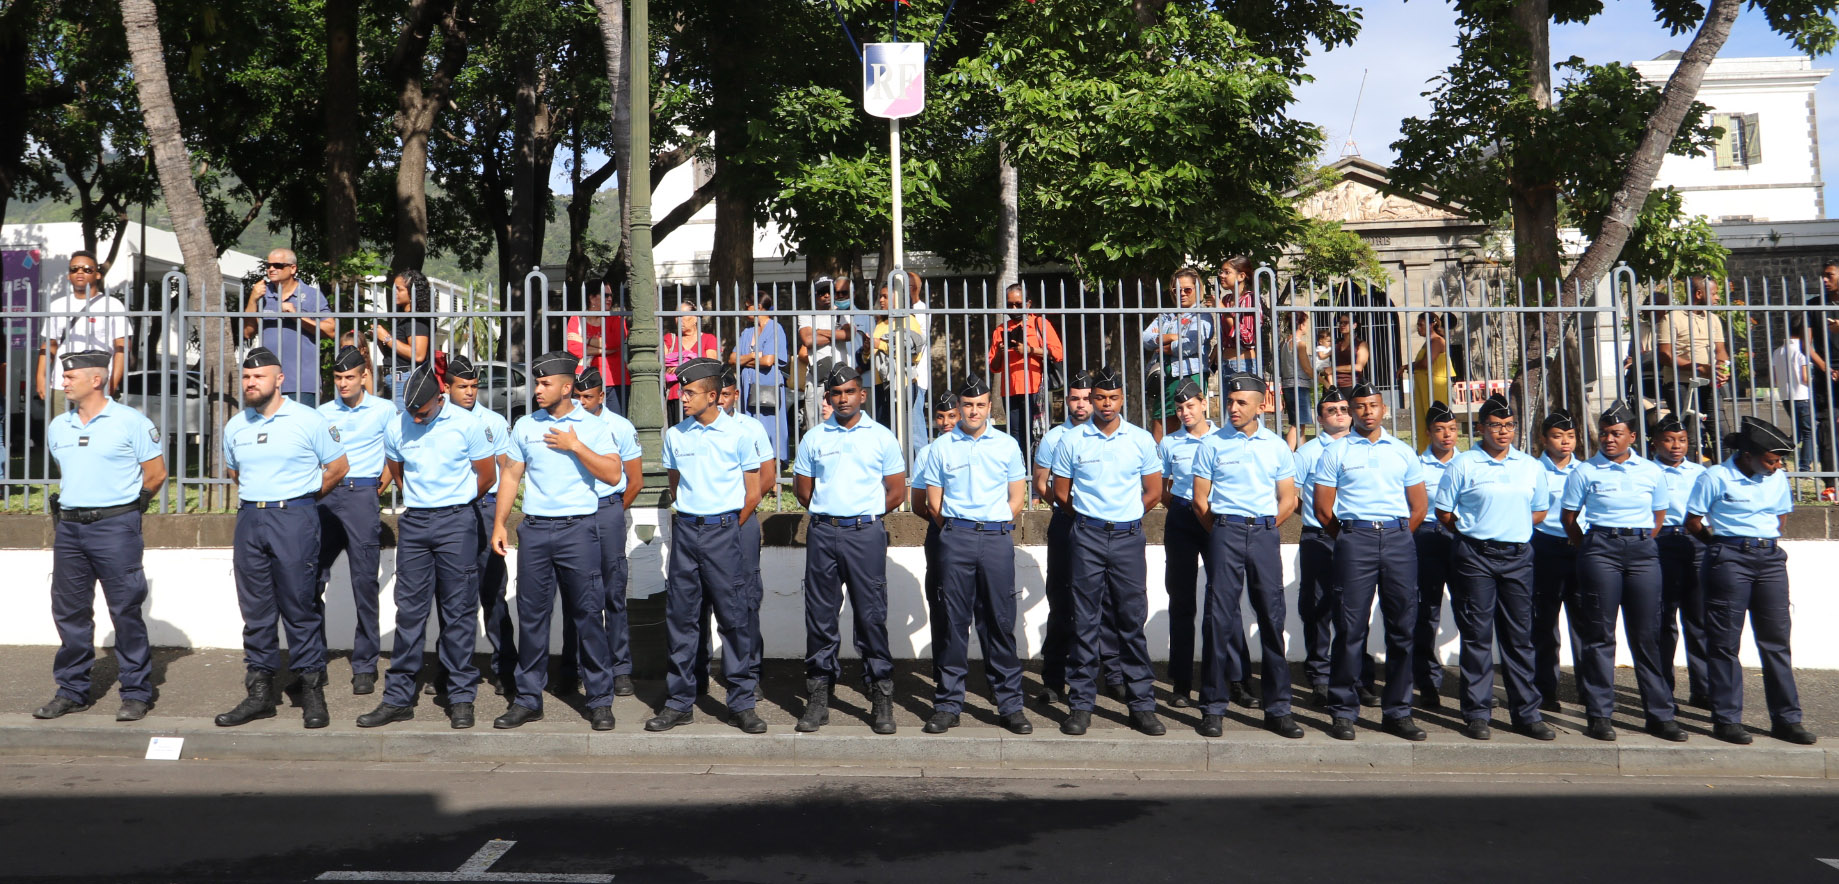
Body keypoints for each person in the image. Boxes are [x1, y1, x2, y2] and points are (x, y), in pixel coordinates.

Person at [489, 351, 629, 730]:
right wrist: (500, 524)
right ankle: (528, 698)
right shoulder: (524, 426)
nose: (537, 390)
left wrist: (576, 447)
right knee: (532, 618)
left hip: (578, 530)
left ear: (567, 387)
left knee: (587, 616)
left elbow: (615, 475)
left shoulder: (594, 426)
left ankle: (600, 700)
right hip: (534, 530)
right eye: (537, 383)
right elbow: (511, 477)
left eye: (545, 383)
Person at [215, 347, 350, 729]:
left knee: (299, 605)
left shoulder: (308, 420)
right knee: (255, 610)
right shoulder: (236, 425)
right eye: (246, 377)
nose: (250, 382)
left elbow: (338, 467)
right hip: (250, 519)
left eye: (258, 376)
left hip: (294, 517)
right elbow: (235, 473)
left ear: (279, 380)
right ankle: (259, 692)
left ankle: (311, 689)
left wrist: (302, 498)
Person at [359, 366, 496, 730]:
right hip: (416, 522)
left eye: (422, 411)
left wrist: (455, 502)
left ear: (440, 398)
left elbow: (487, 476)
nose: (416, 418)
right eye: (411, 412)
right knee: (409, 613)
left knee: (459, 612)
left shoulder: (466, 425)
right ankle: (398, 698)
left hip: (457, 521)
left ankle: (461, 696)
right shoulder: (398, 424)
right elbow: (396, 467)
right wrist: (420, 499)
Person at [33, 350, 165, 722]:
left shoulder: (130, 422)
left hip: (115, 527)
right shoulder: (59, 425)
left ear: (96, 379)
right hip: (71, 528)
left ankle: (136, 691)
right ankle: (72, 690)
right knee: (70, 612)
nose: (64, 381)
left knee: (125, 610)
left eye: (71, 376)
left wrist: (127, 510)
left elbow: (155, 474)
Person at [649, 358, 767, 733]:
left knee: (733, 619)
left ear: (713, 396)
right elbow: (675, 483)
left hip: (725, 530)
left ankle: (741, 702)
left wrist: (725, 525)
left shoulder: (740, 434)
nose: (682, 398)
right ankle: (680, 701)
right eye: (681, 391)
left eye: (689, 392)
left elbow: (753, 492)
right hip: (686, 530)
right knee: (681, 619)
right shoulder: (676, 435)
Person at [1432, 394, 1555, 741]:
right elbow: (1444, 513)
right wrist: (1475, 534)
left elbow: (1539, 511)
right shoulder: (1464, 464)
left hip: (1517, 556)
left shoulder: (1530, 466)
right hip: (1475, 556)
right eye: (1496, 426)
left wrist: (1510, 528)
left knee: (1519, 637)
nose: (1503, 432)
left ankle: (1527, 713)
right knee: (1477, 636)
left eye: (1509, 425)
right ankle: (1477, 712)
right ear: (1481, 428)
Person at [1687, 416, 1816, 745]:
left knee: (1776, 642)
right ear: (1747, 454)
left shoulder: (1776, 478)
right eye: (1770, 460)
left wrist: (1762, 543)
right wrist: (1721, 548)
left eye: (1778, 460)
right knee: (1725, 643)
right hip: (1729, 557)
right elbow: (1693, 520)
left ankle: (1787, 719)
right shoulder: (1715, 476)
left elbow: (1780, 518)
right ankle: (1727, 719)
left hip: (1770, 560)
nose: (1776, 466)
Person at [1050, 366, 1165, 736]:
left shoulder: (1141, 439)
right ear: (1091, 399)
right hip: (1087, 536)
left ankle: (1141, 705)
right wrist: (1092, 518)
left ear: (1122, 400)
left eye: (1113, 398)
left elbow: (1153, 492)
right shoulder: (1072, 440)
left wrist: (1125, 517)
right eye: (1099, 397)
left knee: (1131, 621)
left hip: (1129, 537)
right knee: (1084, 622)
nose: (1106, 404)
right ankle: (1081, 705)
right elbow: (1062, 494)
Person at [792, 365, 907, 734]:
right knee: (820, 619)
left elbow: (896, 492)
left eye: (850, 392)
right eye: (836, 393)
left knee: (871, 616)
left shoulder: (882, 437)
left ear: (863, 395)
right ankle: (819, 696)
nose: (843, 399)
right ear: (828, 398)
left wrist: (863, 515)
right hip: (824, 533)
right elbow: (803, 491)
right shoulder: (814, 438)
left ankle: (881, 695)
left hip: (865, 533)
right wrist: (833, 514)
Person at [1312, 382, 1429, 742]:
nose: (1367, 412)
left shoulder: (1402, 451)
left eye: (1373, 406)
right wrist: (1350, 537)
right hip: (1354, 539)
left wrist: (1396, 535)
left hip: (1397, 539)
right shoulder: (1336, 452)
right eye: (1359, 407)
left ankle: (1398, 711)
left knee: (1402, 628)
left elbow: (1419, 506)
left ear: (1384, 409)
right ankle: (1344, 710)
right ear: (1350, 410)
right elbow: (1322, 509)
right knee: (1350, 628)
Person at [1189, 373, 1303, 739]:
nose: (1233, 408)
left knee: (1272, 618)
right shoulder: (1212, 444)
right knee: (1219, 621)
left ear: (1260, 405)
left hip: (1265, 533)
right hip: (1225, 529)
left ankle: (1279, 708)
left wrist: (1266, 526)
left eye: (1241, 402)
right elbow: (1199, 500)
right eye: (1230, 401)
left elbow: (1288, 498)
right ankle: (1213, 707)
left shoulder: (1275, 446)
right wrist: (1223, 530)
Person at [917, 376, 1033, 735]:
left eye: (980, 405)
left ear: (989, 407)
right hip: (956, 537)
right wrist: (955, 530)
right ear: (961, 407)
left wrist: (996, 524)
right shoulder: (942, 447)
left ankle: (1010, 704)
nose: (973, 411)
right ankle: (949, 703)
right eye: (968, 405)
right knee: (953, 622)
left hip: (996, 538)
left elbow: (1017, 497)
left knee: (999, 621)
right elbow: (933, 501)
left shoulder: (1008, 445)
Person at [1561, 401, 1677, 742]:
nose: (1608, 439)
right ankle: (1599, 714)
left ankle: (1659, 714)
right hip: (1600, 550)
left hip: (1642, 552)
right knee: (1599, 635)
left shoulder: (1651, 471)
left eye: (1616, 434)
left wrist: (1636, 540)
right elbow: (1569, 519)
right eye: (1604, 433)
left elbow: (1658, 517)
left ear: (1633, 436)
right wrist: (1593, 546)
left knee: (1647, 636)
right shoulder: (1585, 471)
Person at [1156, 379, 1257, 710]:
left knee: (1225, 601)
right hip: (1184, 518)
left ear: (1204, 403)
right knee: (1182, 601)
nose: (1184, 412)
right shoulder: (1170, 443)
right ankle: (1182, 683)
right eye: (1179, 408)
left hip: (1219, 518)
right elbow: (1165, 487)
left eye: (1190, 406)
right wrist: (1185, 510)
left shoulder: (1225, 438)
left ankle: (1238, 680)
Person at [555, 368, 645, 700]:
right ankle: (572, 667)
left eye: (587, 398)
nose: (581, 403)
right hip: (574, 514)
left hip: (606, 509)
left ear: (602, 396)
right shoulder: (563, 425)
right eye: (576, 397)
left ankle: (620, 669)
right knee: (574, 594)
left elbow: (635, 481)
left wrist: (612, 512)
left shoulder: (619, 427)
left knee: (612, 593)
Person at [1033, 370, 1122, 706]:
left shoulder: (1112, 435)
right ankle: (1054, 680)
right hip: (1066, 524)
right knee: (1063, 600)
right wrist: (1072, 509)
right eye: (1075, 398)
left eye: (1088, 398)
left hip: (1104, 528)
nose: (1082, 404)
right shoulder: (1055, 437)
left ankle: (1113, 676)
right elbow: (1041, 484)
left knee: (1109, 602)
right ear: (1066, 401)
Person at [314, 346, 396, 696]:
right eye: (338, 378)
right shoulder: (321, 412)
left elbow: (396, 452)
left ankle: (364, 664)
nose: (344, 383)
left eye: (350, 377)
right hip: (325, 497)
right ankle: (312, 661)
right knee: (311, 578)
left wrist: (377, 488)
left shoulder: (384, 410)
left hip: (363, 493)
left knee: (364, 582)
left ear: (364, 376)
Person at [693, 367, 777, 698]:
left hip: (740, 523)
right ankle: (696, 673)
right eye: (719, 395)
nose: (723, 401)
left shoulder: (750, 428)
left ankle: (748, 671)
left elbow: (766, 478)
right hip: (705, 526)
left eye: (728, 395)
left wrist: (735, 518)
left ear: (735, 396)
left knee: (744, 599)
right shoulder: (691, 428)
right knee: (698, 601)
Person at [1293, 388, 1377, 709]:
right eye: (1332, 410)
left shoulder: (1363, 448)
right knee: (1317, 609)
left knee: (1355, 610)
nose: (1340, 414)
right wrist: (1321, 520)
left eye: (1344, 409)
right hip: (1319, 536)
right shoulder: (1307, 452)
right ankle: (1320, 677)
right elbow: (1292, 494)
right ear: (1320, 417)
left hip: (1357, 537)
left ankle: (1359, 677)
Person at [445, 355, 517, 696]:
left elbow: (505, 471)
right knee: (453, 596)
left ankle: (506, 666)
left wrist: (500, 519)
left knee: (493, 592)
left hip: (485, 510)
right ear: (447, 387)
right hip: (451, 512)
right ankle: (453, 669)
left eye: (474, 386)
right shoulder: (436, 418)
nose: (470, 393)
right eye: (463, 387)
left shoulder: (494, 421)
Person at [1650, 413, 1711, 708]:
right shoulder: (1647, 472)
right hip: (1661, 544)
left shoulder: (1700, 473)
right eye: (1669, 440)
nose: (1677, 446)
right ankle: (1663, 689)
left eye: (1682, 440)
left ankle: (1704, 689)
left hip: (1695, 543)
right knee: (1664, 621)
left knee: (1698, 619)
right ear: (1655, 443)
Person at [1532, 409, 1586, 711]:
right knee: (1544, 624)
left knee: (1584, 625)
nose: (1565, 442)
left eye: (1570, 435)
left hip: (1578, 547)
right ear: (1543, 439)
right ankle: (1545, 691)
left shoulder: (1585, 470)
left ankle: (1588, 690)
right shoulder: (1533, 470)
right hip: (1545, 546)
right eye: (1557, 435)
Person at [37, 251, 130, 415]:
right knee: (63, 435)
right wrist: (41, 377)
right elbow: (50, 345)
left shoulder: (113, 305)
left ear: (98, 275)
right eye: (74, 269)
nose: (80, 272)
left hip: (97, 384)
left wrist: (113, 383)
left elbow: (122, 348)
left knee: (97, 435)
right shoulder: (58, 306)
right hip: (62, 383)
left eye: (87, 269)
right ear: (68, 275)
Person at [1411, 401, 1459, 709]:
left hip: (1460, 538)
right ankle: (1427, 681)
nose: (1447, 435)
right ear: (1429, 432)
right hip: (1426, 538)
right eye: (1440, 429)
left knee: (1471, 611)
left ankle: (1475, 684)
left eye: (1452, 429)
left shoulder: (1468, 463)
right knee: (1426, 612)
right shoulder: (1416, 465)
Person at [240, 249, 333, 407]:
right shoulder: (262, 294)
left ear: (293, 268)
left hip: (302, 383)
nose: (271, 269)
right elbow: (247, 332)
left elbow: (331, 330)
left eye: (278, 265)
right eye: (269, 265)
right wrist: (253, 300)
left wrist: (297, 317)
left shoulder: (311, 295)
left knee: (299, 430)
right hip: (267, 381)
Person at [911, 393, 960, 673]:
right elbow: (919, 503)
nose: (945, 422)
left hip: (976, 535)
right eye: (940, 417)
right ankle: (943, 668)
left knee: (983, 605)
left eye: (952, 415)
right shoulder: (928, 453)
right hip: (940, 533)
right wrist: (945, 526)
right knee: (940, 600)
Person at [1656, 276, 1732, 455]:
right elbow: (1665, 355)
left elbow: (1720, 349)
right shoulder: (1671, 318)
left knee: (1721, 431)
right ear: (1699, 294)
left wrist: (1722, 367)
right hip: (1681, 384)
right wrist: (1699, 368)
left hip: (1709, 383)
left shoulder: (1713, 319)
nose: (1717, 298)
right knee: (1689, 434)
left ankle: (1724, 473)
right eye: (1713, 293)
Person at [990, 283, 1064, 458]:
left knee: (1038, 434)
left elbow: (1058, 353)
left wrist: (1030, 350)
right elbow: (994, 367)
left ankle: (1037, 473)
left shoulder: (1039, 323)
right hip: (1010, 390)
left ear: (1028, 304)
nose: (1014, 308)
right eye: (1010, 304)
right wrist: (1000, 353)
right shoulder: (1000, 330)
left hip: (1035, 389)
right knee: (1015, 435)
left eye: (1018, 304)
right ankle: (1022, 476)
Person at [1142, 268, 1214, 442]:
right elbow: (1145, 338)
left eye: (1187, 289)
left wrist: (1168, 347)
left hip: (1191, 374)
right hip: (1165, 376)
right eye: (1177, 290)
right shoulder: (1167, 316)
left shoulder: (1202, 316)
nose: (1182, 293)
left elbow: (1191, 344)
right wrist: (1173, 337)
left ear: (1198, 290)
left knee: (1190, 420)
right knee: (1162, 422)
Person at [797, 277, 870, 434]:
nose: (826, 296)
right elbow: (808, 340)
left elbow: (850, 334)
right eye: (821, 292)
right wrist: (837, 334)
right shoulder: (806, 315)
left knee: (843, 423)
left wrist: (818, 332)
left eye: (829, 292)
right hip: (817, 380)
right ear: (814, 295)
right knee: (815, 426)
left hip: (841, 380)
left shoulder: (842, 314)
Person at [733, 290, 789, 460]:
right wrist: (752, 356)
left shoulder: (775, 328)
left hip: (768, 385)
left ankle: (774, 475)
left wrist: (744, 361)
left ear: (757, 307)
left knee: (771, 427)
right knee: (749, 426)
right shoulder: (747, 332)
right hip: (747, 386)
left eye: (747, 306)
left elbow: (768, 361)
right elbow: (731, 358)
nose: (744, 310)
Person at [565, 279, 631, 415]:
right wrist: (606, 350)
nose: (610, 299)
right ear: (592, 298)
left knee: (614, 423)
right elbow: (573, 348)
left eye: (611, 295)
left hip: (614, 380)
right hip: (584, 381)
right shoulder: (577, 319)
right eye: (605, 295)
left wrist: (585, 340)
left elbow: (614, 343)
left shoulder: (617, 318)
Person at [1804, 259, 1839, 500]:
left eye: (1829, 275)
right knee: (1827, 430)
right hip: (1825, 375)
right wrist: (1825, 367)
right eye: (1823, 276)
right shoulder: (1814, 305)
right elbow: (1806, 345)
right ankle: (1831, 484)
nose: (1824, 280)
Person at [372, 268, 434, 402]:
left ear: (412, 292)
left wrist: (387, 338)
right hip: (392, 377)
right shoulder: (402, 318)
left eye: (399, 289)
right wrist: (379, 338)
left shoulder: (416, 319)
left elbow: (418, 354)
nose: (394, 292)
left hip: (405, 379)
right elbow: (393, 354)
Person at [663, 303, 720, 424]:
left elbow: (711, 367)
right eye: (676, 316)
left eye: (682, 316)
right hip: (675, 396)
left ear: (695, 318)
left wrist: (681, 367)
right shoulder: (670, 339)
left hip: (700, 397)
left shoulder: (708, 339)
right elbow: (662, 364)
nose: (678, 320)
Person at [1772, 318, 1816, 471]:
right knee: (1809, 431)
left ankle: (1779, 455)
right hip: (1802, 395)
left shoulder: (1778, 351)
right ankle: (1804, 466)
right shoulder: (1802, 350)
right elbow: (1805, 377)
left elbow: (1776, 378)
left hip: (1786, 396)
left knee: (1798, 432)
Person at [1403, 313, 1454, 428]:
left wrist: (1410, 366)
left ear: (1431, 325)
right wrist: (1407, 366)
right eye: (1417, 325)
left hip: (1434, 387)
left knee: (1433, 421)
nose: (1418, 328)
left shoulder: (1437, 341)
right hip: (1425, 386)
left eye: (1421, 325)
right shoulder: (1429, 342)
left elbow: (1426, 363)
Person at [1215, 257, 1263, 374]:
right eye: (1221, 271)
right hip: (1225, 362)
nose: (1222, 275)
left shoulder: (1250, 299)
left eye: (1227, 272)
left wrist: (1225, 312)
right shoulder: (1226, 299)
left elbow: (1248, 339)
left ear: (1241, 276)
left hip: (1243, 363)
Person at [1329, 313, 1370, 389]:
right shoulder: (1336, 343)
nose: (1342, 325)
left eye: (1346, 322)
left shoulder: (1361, 344)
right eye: (1340, 322)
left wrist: (1333, 369)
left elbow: (1358, 367)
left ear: (1354, 325)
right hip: (1332, 384)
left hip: (1351, 385)